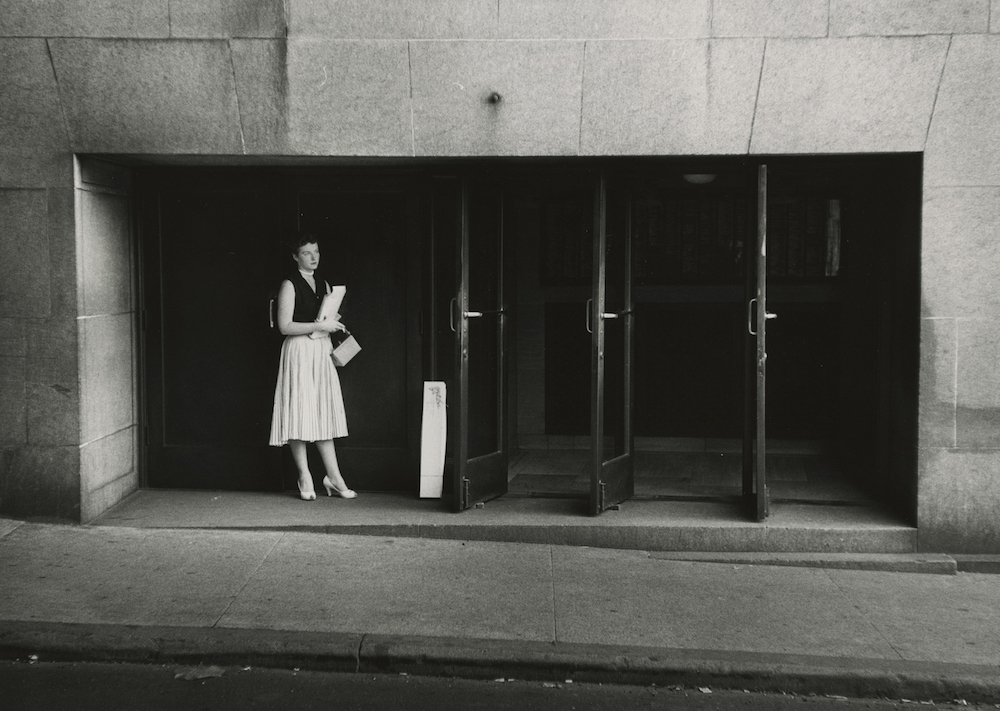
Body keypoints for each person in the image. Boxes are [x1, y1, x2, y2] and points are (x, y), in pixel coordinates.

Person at [268, 233, 357, 501]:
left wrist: (332, 323)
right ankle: (304, 474)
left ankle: (333, 476)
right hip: (299, 351)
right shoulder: (289, 284)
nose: (313, 257)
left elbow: (324, 317)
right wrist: (320, 325)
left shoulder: (324, 283)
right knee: (299, 410)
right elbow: (285, 326)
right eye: (307, 253)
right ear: (296, 256)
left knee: (322, 411)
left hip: (320, 350)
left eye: (316, 251)